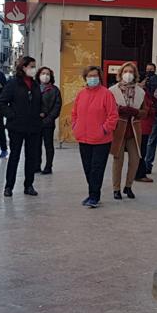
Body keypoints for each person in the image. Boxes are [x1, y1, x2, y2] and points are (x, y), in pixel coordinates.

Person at [71, 65, 118, 208]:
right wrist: (75, 126)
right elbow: (74, 113)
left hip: (101, 140)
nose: (93, 78)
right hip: (83, 138)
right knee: (87, 168)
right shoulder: (81, 94)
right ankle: (92, 193)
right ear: (85, 78)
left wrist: (104, 129)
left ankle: (94, 196)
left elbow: (113, 115)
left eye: (95, 76)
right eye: (90, 76)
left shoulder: (106, 94)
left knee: (96, 169)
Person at [0, 55, 43, 197]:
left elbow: (39, 102)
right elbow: (2, 102)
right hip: (16, 126)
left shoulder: (35, 84)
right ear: (24, 67)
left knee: (31, 157)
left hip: (33, 127)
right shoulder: (13, 83)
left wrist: (42, 113)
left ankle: (29, 185)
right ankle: (9, 186)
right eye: (31, 66)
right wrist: (12, 115)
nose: (34, 69)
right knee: (14, 156)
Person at [109, 62, 146, 200]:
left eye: (131, 71)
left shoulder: (141, 92)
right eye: (126, 71)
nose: (128, 74)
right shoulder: (112, 91)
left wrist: (136, 112)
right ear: (121, 73)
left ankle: (128, 186)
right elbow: (108, 110)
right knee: (118, 159)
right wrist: (119, 110)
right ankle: (116, 189)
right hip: (119, 128)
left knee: (135, 159)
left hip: (134, 128)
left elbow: (145, 112)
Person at [135, 69, 157, 184]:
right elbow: (145, 108)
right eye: (145, 80)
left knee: (142, 150)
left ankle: (139, 172)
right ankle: (139, 173)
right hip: (142, 125)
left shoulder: (145, 91)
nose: (146, 83)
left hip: (147, 125)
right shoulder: (139, 92)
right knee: (141, 151)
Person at [37, 66, 61, 175]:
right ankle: (36, 165)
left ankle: (48, 166)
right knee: (36, 145)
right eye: (43, 73)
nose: (45, 76)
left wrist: (48, 118)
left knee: (48, 145)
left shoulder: (54, 90)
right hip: (35, 122)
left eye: (47, 74)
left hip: (48, 123)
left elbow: (57, 107)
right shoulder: (34, 88)